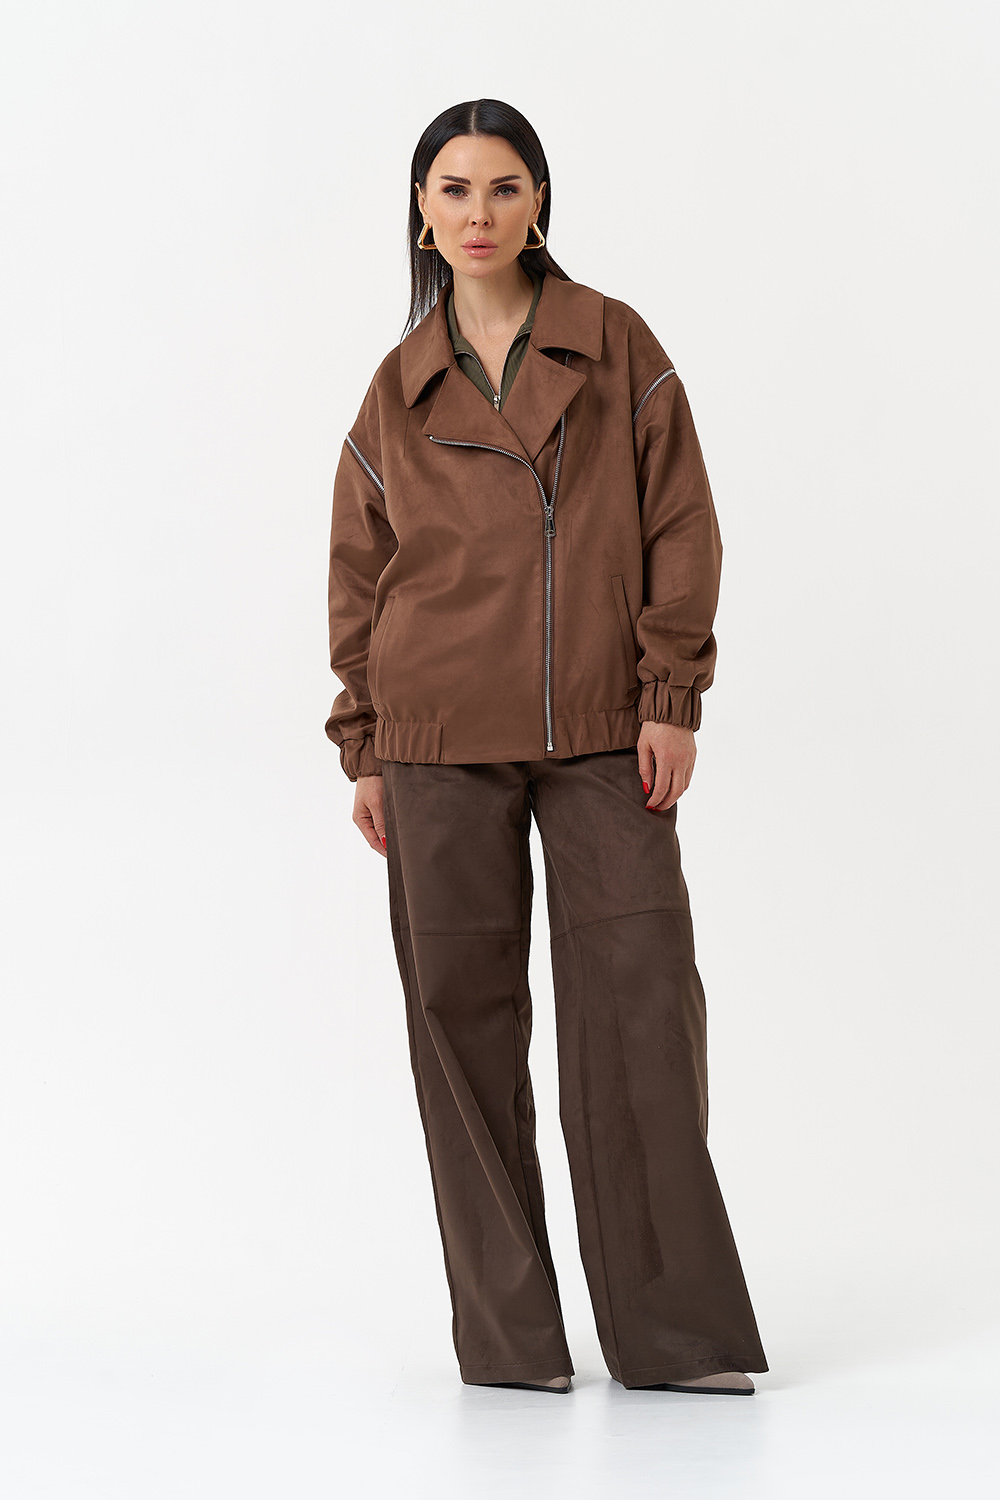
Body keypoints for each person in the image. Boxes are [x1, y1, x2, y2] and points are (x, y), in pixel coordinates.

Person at [324, 98, 769, 1396]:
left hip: (601, 730)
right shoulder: (397, 386)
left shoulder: (616, 343)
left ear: (539, 204)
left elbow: (681, 519)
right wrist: (365, 742)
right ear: (422, 214)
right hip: (433, 733)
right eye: (454, 190)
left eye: (504, 187)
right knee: (459, 1027)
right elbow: (359, 570)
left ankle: (674, 1336)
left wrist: (670, 693)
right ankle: (512, 1344)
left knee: (641, 1006)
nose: (479, 213)